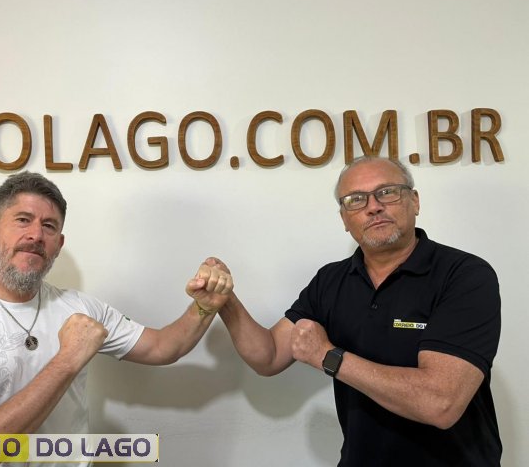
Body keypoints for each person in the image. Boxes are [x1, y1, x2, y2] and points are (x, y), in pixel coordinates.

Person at [0, 171, 232, 465]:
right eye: (23, 220)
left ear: (59, 244)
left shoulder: (79, 308)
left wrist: (204, 306)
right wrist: (68, 359)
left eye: (49, 226)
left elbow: (164, 346)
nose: (36, 235)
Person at [213, 156, 502, 466]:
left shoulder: (464, 275)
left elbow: (440, 403)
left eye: (387, 192)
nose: (373, 207)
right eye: (356, 200)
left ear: (415, 201)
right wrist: (225, 302)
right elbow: (268, 356)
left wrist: (328, 356)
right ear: (344, 218)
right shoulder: (331, 280)